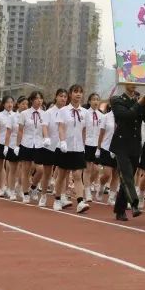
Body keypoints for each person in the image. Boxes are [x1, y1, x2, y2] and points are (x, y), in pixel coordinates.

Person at [111, 80, 145, 221]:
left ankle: (119, 209)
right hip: (121, 144)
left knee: (127, 178)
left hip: (135, 145)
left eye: (136, 81)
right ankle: (134, 204)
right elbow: (125, 116)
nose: (134, 84)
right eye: (131, 81)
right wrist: (139, 104)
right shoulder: (117, 100)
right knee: (127, 176)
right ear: (124, 83)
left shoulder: (139, 100)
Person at [55, 85, 93, 213]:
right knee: (62, 175)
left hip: (78, 148)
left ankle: (80, 202)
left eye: (80, 92)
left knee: (77, 175)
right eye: (75, 92)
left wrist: (84, 146)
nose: (78, 94)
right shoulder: (63, 110)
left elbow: (84, 130)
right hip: (65, 147)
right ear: (70, 94)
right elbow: (61, 127)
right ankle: (57, 199)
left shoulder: (85, 112)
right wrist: (62, 141)